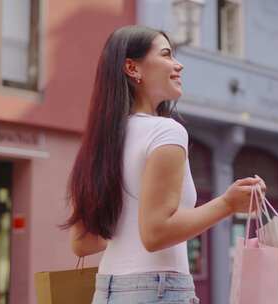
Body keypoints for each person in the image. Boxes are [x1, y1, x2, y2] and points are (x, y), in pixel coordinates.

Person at [61, 25, 266, 304]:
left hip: (108, 290)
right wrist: (227, 204)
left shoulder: (101, 142)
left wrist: (132, 223)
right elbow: (156, 233)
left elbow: (82, 243)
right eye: (167, 55)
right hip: (158, 289)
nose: (178, 64)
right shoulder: (166, 132)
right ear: (133, 69)